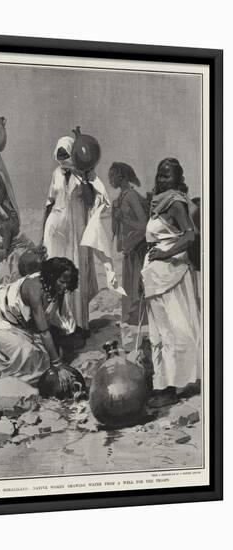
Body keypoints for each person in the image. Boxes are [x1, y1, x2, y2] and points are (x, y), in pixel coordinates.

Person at [141, 158, 200, 407]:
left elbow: (190, 235)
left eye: (167, 176)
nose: (161, 179)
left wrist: (164, 254)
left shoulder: (175, 202)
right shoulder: (159, 201)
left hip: (170, 273)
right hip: (158, 275)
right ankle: (168, 383)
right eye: (160, 174)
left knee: (171, 331)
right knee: (161, 331)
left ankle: (169, 389)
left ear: (177, 179)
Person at [0, 257, 78, 380]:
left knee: (43, 359)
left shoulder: (54, 287)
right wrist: (58, 364)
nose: (65, 286)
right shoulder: (34, 290)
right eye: (62, 282)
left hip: (18, 323)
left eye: (67, 283)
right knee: (28, 355)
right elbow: (44, 332)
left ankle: (1, 348)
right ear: (52, 277)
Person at [42, 136, 98, 335]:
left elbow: (91, 200)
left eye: (66, 153)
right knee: (56, 274)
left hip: (77, 232)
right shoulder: (56, 174)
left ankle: (80, 324)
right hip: (56, 232)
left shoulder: (85, 173)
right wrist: (43, 235)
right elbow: (49, 204)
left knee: (76, 274)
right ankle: (59, 324)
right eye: (59, 154)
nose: (62, 157)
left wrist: (82, 174)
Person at [109, 162, 148, 325]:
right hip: (128, 251)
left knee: (137, 290)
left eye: (112, 175)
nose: (109, 179)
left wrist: (122, 218)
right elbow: (115, 230)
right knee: (130, 290)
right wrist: (114, 213)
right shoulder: (119, 199)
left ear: (121, 176)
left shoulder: (131, 196)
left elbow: (144, 224)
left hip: (138, 249)